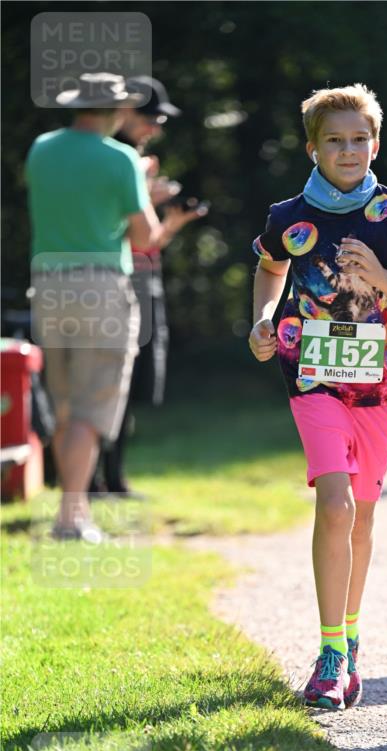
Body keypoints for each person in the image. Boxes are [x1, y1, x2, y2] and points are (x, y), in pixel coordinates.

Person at [249, 84, 387, 710]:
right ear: (312, 147)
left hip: (380, 381)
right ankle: (331, 655)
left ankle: (350, 636)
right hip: (313, 377)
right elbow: (271, 269)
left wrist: (379, 275)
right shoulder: (287, 217)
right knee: (335, 506)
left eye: (360, 139)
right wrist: (262, 318)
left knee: (363, 513)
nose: (349, 149)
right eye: (335, 139)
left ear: (375, 143)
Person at [26, 73, 162, 541]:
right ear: (117, 111)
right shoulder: (122, 158)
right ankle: (70, 518)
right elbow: (144, 237)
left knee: (64, 405)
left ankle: (75, 508)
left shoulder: (41, 148)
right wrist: (145, 191)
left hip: (46, 282)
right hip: (100, 285)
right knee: (92, 407)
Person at [89, 76, 206, 497]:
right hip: (113, 281)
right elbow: (106, 231)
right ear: (124, 113)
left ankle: (113, 477)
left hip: (142, 276)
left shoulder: (133, 161)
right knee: (108, 381)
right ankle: (93, 480)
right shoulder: (113, 160)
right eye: (151, 118)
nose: (155, 128)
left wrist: (167, 217)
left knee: (131, 381)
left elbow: (148, 241)